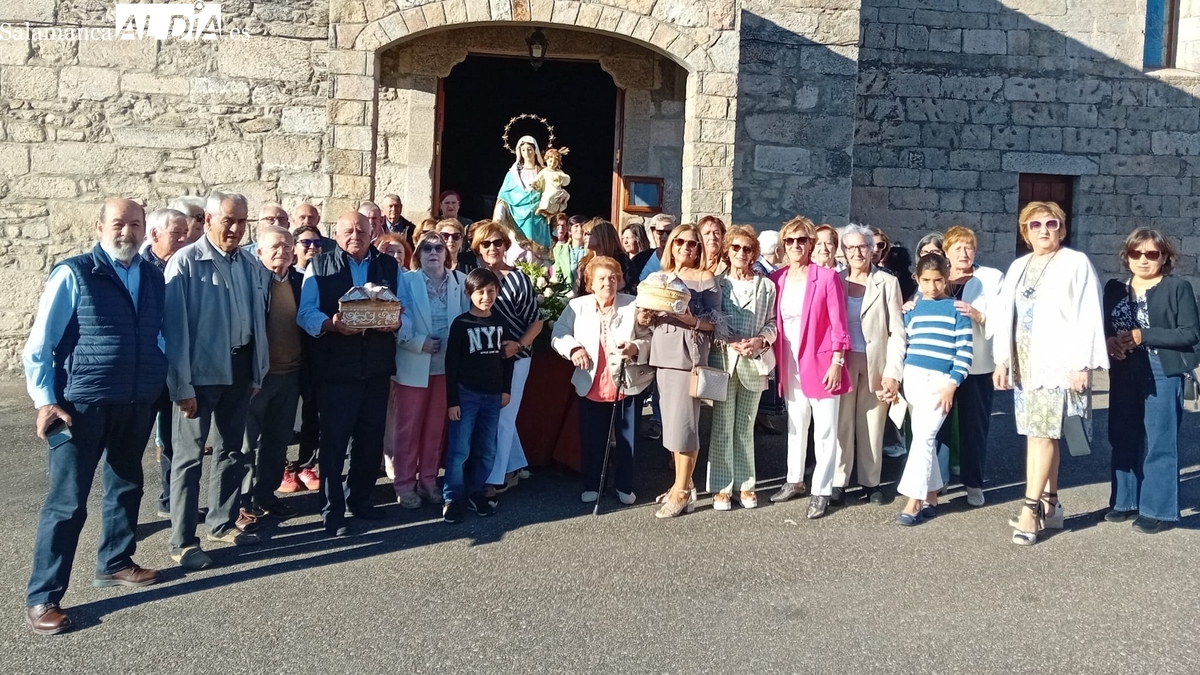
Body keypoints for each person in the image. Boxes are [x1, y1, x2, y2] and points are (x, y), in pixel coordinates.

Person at [22, 198, 167, 635]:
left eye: (135, 224)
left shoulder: (153, 276)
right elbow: (40, 343)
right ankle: (43, 596)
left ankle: (116, 561)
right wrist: (45, 399)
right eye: (118, 224)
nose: (127, 231)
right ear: (99, 226)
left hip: (136, 399)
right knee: (67, 502)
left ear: (145, 230)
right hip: (81, 405)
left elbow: (159, 333)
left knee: (127, 484)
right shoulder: (75, 272)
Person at [163, 191, 270, 569]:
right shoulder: (185, 262)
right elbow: (174, 331)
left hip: (240, 371)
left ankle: (221, 523)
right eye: (229, 220)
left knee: (231, 451)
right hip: (200, 375)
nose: (236, 228)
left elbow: (257, 322)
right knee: (189, 458)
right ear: (208, 220)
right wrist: (181, 386)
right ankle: (182, 541)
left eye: (242, 221)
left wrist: (258, 371)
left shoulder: (249, 264)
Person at [993, 201, 1108, 546]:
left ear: (1062, 227)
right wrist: (1002, 360)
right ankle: (1052, 504)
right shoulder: (1017, 267)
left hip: (1057, 365)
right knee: (1039, 435)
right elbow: (1004, 316)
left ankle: (1031, 510)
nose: (1044, 230)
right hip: (1025, 365)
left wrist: (1081, 364)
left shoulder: (1076, 263)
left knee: (1044, 436)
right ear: (1025, 232)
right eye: (1036, 225)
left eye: (1052, 223)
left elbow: (1089, 313)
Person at [297, 211, 402, 537]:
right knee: (334, 443)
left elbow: (403, 308)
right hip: (336, 367)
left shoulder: (390, 266)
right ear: (336, 234)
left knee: (370, 440)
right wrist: (330, 325)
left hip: (377, 366)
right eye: (348, 230)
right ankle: (332, 511)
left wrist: (397, 322)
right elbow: (306, 313)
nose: (355, 234)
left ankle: (360, 499)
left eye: (361, 229)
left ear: (373, 232)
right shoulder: (319, 265)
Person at [1103, 228, 1199, 534]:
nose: (1143, 260)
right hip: (1123, 367)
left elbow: (1190, 333)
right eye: (1136, 253)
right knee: (1123, 432)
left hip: (1162, 366)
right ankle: (1125, 500)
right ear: (1127, 256)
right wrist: (1110, 342)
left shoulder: (1177, 287)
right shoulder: (1115, 288)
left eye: (1152, 254)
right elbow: (1105, 325)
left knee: (1160, 438)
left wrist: (1144, 335)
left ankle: (1157, 509)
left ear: (1164, 257)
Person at [552, 257, 653, 504]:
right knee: (593, 438)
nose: (608, 282)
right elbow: (558, 333)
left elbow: (650, 337)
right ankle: (593, 484)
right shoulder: (577, 306)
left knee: (628, 440)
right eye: (602, 278)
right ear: (590, 283)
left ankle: (624, 485)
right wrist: (574, 349)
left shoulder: (633, 305)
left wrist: (635, 347)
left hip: (626, 382)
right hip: (591, 383)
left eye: (613, 277)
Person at [639, 223, 722, 518]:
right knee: (672, 424)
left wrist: (690, 320)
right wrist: (646, 314)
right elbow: (647, 317)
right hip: (663, 355)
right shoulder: (659, 277)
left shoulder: (705, 278)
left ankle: (683, 491)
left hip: (689, 355)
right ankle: (680, 484)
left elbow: (717, 324)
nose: (686, 248)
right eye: (680, 242)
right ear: (671, 245)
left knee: (685, 425)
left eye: (693, 243)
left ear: (699, 249)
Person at [770, 216, 851, 519]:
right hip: (790, 362)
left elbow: (839, 324)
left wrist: (837, 361)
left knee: (825, 430)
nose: (795, 246)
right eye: (789, 241)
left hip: (821, 361)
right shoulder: (777, 279)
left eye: (801, 240)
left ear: (811, 244)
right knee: (795, 424)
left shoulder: (826, 278)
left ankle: (821, 490)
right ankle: (794, 480)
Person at [389, 232, 470, 508]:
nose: (433, 252)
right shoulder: (406, 280)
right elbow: (399, 316)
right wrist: (417, 343)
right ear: (418, 255)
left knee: (436, 428)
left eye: (438, 247)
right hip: (415, 363)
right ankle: (404, 484)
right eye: (426, 248)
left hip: (447, 367)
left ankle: (429, 480)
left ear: (446, 253)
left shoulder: (459, 281)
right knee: (408, 428)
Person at [895, 253, 974, 526]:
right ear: (917, 279)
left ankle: (913, 501)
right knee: (921, 436)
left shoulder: (957, 309)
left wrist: (952, 385)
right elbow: (904, 344)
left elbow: (964, 352)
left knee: (925, 437)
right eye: (926, 280)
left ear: (946, 278)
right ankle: (931, 493)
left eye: (938, 280)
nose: (932, 286)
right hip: (913, 378)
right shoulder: (913, 309)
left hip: (941, 382)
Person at [833, 224, 905, 505]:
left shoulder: (888, 283)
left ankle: (871, 481)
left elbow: (897, 332)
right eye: (850, 247)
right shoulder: (835, 281)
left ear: (871, 249)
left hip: (876, 361)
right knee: (842, 421)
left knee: (872, 424)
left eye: (862, 246)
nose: (856, 252)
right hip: (842, 360)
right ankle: (839, 480)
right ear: (844, 252)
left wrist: (893, 374)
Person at [706, 226, 777, 511]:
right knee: (722, 425)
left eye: (747, 249)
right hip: (723, 360)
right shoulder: (717, 283)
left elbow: (773, 323)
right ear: (727, 251)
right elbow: (709, 318)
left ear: (754, 253)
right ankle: (722, 488)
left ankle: (746, 485)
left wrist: (761, 340)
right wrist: (727, 338)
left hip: (754, 362)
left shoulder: (767, 286)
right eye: (735, 248)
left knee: (746, 427)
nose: (741, 253)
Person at [472, 220, 543, 495]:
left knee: (502, 416)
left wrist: (519, 345)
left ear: (506, 245)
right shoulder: (474, 277)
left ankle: (494, 478)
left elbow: (536, 321)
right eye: (486, 243)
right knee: (491, 414)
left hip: (516, 357)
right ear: (478, 247)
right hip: (482, 358)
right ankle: (513, 466)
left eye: (497, 242)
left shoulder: (518, 278)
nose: (492, 248)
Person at [937, 226, 1005, 507]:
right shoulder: (937, 277)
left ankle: (973, 484)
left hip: (977, 364)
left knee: (974, 426)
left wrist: (980, 315)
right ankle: (935, 482)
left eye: (969, 248)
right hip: (941, 364)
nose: (964, 253)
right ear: (947, 253)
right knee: (936, 425)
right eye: (957, 248)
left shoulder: (991, 278)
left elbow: (1003, 319)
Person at [239, 226, 303, 520]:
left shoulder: (301, 282)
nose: (283, 252)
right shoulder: (250, 283)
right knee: (245, 445)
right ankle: (241, 502)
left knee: (277, 442)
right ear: (259, 252)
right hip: (257, 378)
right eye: (276, 247)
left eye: (288, 247)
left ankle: (266, 495)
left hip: (290, 375)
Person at [442, 268, 513, 523]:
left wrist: (506, 389)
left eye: (491, 291)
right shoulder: (461, 324)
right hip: (467, 394)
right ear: (469, 293)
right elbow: (451, 364)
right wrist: (452, 401)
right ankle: (452, 497)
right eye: (480, 292)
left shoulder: (500, 321)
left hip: (493, 396)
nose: (486, 297)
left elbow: (507, 359)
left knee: (487, 449)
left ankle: (476, 490)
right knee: (460, 449)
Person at [141, 208, 190, 517]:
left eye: (186, 232)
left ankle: (171, 502)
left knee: (176, 442)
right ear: (155, 235)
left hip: (177, 365)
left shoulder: (186, 266)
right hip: (145, 369)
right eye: (177, 234)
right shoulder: (140, 269)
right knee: (128, 448)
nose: (185, 238)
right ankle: (124, 523)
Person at [283, 223, 324, 494]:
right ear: (295, 247)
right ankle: (284, 468)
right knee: (283, 416)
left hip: (315, 355)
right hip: (285, 356)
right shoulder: (284, 276)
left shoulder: (325, 276)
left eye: (317, 244)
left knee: (313, 413)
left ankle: (307, 465)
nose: (312, 248)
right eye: (306, 243)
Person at [494, 137, 550, 248]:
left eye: (529, 149)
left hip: (538, 221)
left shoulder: (544, 172)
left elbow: (551, 193)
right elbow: (503, 198)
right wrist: (498, 216)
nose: (527, 153)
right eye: (523, 150)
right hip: (516, 223)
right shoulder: (513, 174)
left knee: (539, 260)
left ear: (535, 150)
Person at [578, 220, 633, 295]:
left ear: (603, 235)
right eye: (584, 234)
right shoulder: (586, 261)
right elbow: (581, 293)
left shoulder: (621, 260)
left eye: (589, 234)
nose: (585, 237)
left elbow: (633, 288)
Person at [633, 213, 677, 282]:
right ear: (654, 233)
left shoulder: (679, 259)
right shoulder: (641, 258)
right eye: (660, 232)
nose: (664, 236)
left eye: (669, 232)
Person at [552, 214, 589, 290]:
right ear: (569, 231)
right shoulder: (559, 250)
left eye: (582, 226)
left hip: (587, 294)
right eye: (576, 226)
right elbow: (557, 275)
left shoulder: (591, 250)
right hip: (567, 295)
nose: (580, 229)